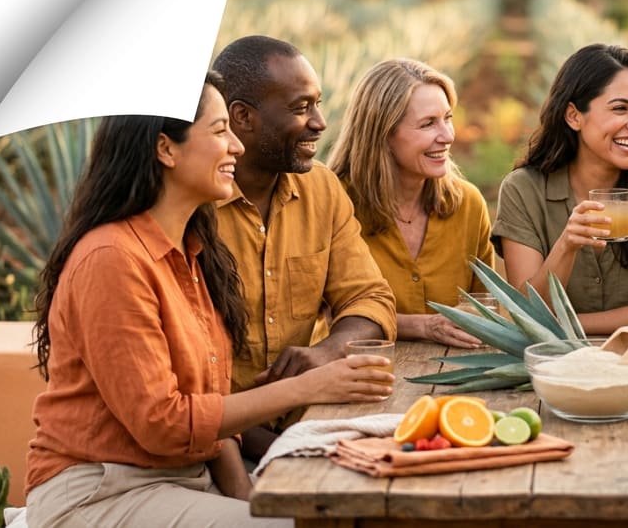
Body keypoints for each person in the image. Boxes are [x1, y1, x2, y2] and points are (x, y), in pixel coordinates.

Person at [25, 75, 392, 527]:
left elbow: (206, 398)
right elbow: (164, 422)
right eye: (220, 131)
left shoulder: (192, 252)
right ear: (166, 149)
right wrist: (310, 386)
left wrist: (243, 492)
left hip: (182, 480)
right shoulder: (112, 259)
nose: (237, 147)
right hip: (103, 492)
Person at [211, 36, 397, 460]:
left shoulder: (321, 187)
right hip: (223, 441)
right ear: (241, 117)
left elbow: (370, 297)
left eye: (317, 103)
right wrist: (286, 452)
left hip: (308, 422)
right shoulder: (192, 205)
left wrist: (327, 351)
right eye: (300, 108)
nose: (319, 122)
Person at [492, 43, 628, 335]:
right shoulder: (523, 191)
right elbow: (528, 310)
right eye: (620, 108)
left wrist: (569, 326)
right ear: (573, 116)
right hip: (552, 365)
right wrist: (567, 245)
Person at [329, 58, 493, 348]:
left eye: (448, 118)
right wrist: (424, 326)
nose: (448, 136)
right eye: (428, 124)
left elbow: (485, 307)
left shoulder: (468, 205)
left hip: (452, 379)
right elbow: (325, 314)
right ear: (383, 133)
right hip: (364, 375)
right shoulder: (334, 204)